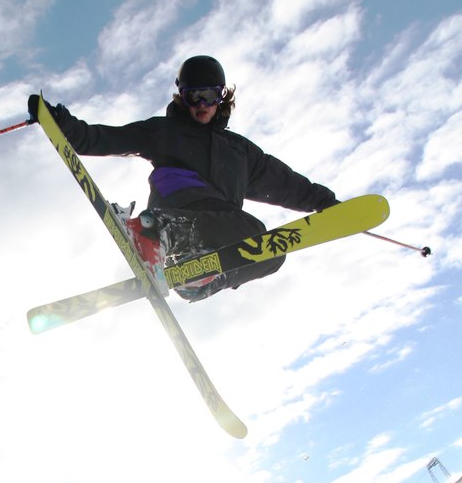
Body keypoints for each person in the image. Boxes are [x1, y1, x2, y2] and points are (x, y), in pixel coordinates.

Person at [28, 55, 339, 300]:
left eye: (209, 96)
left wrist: (326, 203)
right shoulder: (164, 131)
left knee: (271, 251)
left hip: (216, 226)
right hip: (178, 204)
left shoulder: (241, 152)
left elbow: (285, 183)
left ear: (222, 97)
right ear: (182, 97)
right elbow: (101, 138)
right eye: (194, 97)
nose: (201, 105)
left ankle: (198, 277)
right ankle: (156, 230)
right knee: (252, 227)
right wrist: (61, 124)